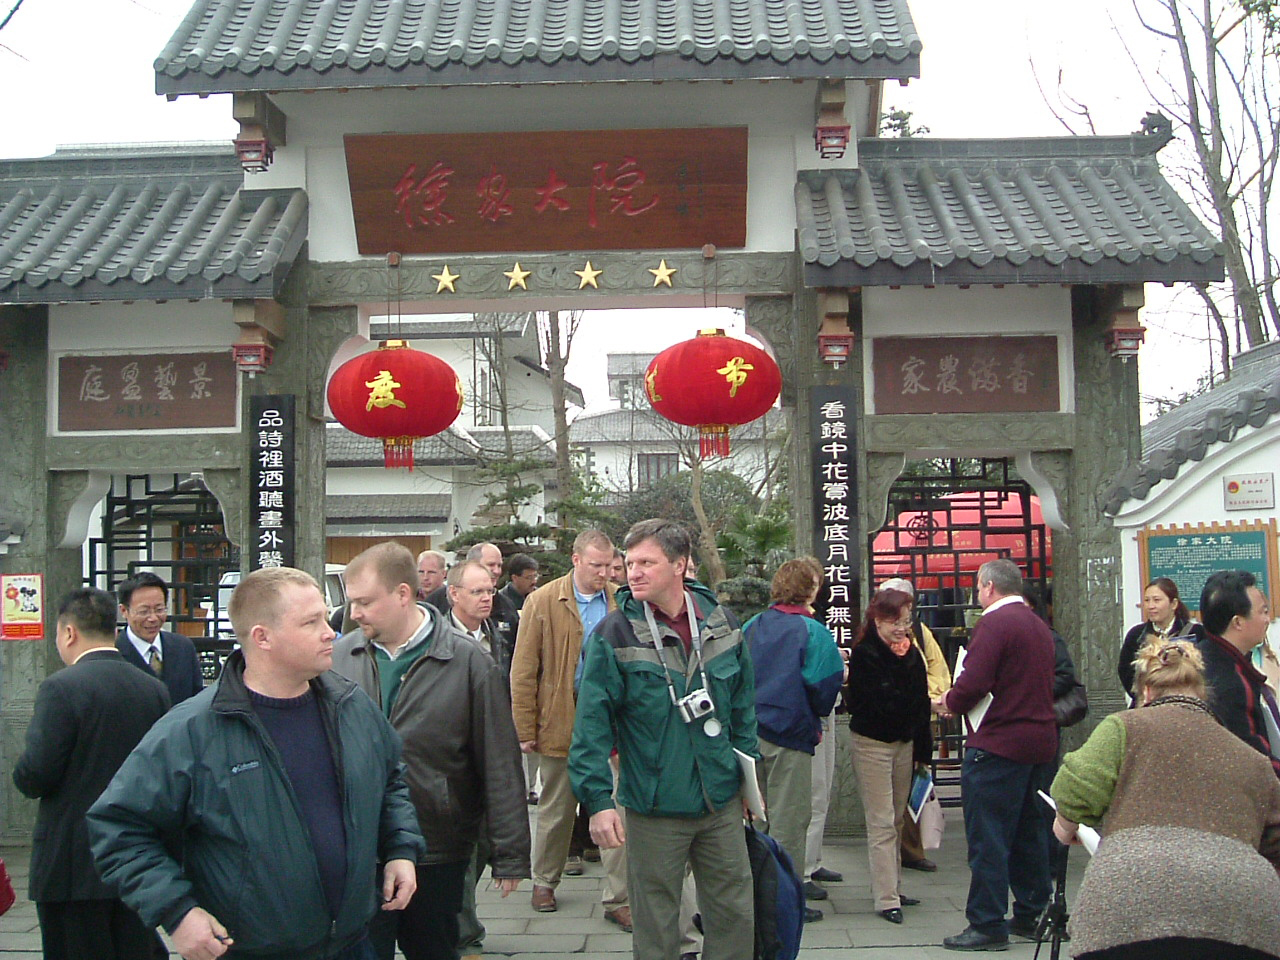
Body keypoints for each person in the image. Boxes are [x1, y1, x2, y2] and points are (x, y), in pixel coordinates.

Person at [87, 566, 424, 960]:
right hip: (250, 949)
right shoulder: (194, 729)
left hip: (353, 942)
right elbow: (118, 826)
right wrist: (177, 911)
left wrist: (400, 848)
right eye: (310, 622)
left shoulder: (350, 705)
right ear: (262, 637)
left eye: (325, 617)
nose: (329, 632)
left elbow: (391, 779)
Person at [570, 519, 757, 960]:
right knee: (656, 924)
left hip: (720, 799)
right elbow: (591, 725)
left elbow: (743, 709)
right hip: (654, 805)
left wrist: (750, 785)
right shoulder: (615, 634)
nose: (631, 573)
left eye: (646, 563)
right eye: (630, 563)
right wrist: (597, 801)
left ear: (679, 565)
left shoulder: (721, 623)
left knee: (735, 914)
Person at [332, 545, 529, 960]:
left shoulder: (467, 661)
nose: (355, 613)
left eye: (365, 602)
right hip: (361, 845)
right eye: (352, 602)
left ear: (403, 594)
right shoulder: (340, 658)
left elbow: (499, 759)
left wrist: (509, 853)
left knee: (434, 948)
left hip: (436, 844)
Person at [1051, 639, 1280, 959]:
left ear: (1145, 693)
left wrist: (1065, 826)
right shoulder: (1254, 761)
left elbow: (1075, 789)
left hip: (1125, 912)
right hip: (1238, 918)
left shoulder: (1125, 726)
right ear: (1203, 694)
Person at [13, 587, 171, 960]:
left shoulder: (61, 687)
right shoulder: (153, 689)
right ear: (114, 630)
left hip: (72, 862)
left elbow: (37, 773)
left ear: (69, 632)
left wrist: (21, 773)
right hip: (134, 860)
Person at [938, 559, 1057, 952]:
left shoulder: (993, 623)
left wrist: (950, 701)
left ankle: (987, 921)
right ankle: (1032, 912)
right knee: (1029, 834)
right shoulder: (1038, 625)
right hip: (1037, 742)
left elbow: (975, 679)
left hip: (997, 742)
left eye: (978, 586)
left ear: (989, 586)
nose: (977, 593)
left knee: (988, 836)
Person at [509, 530, 628, 924]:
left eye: (608, 565)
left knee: (616, 806)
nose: (603, 573)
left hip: (611, 719)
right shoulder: (543, 601)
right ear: (576, 560)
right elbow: (524, 669)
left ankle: (620, 896)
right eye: (595, 565)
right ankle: (544, 880)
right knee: (556, 807)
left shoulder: (620, 600)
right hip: (560, 715)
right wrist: (525, 727)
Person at [742, 558, 844, 922]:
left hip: (751, 734)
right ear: (810, 590)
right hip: (791, 735)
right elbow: (824, 686)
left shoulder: (752, 625)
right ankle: (784, 904)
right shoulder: (812, 631)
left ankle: (754, 897)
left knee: (757, 820)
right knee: (790, 823)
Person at [845, 587, 932, 925]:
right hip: (873, 744)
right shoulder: (865, 654)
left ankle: (893, 885)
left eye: (906, 622)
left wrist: (922, 749)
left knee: (897, 819)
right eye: (895, 622)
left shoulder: (912, 653)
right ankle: (886, 898)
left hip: (904, 744)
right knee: (881, 822)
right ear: (878, 620)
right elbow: (869, 704)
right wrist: (904, 704)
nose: (901, 629)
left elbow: (922, 703)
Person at [878, 577, 952, 874]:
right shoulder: (875, 638)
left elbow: (939, 669)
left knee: (916, 783)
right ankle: (891, 850)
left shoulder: (920, 632)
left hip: (922, 720)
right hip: (889, 726)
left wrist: (931, 697)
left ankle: (911, 848)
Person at [1196, 569, 1279, 776]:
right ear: (1238, 622)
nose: (1267, 619)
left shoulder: (1200, 657)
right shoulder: (1231, 683)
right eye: (1263, 612)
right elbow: (1255, 762)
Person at [115, 571, 204, 705]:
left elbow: (197, 700)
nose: (153, 618)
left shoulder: (183, 647)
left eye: (159, 610)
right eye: (144, 611)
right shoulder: (114, 652)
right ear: (124, 611)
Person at [428, 542, 520, 671]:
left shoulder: (498, 635)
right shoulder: (435, 637)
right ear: (454, 594)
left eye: (490, 591)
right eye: (477, 592)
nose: (486, 598)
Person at [1117, 577, 1202, 699]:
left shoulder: (1196, 632)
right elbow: (1126, 672)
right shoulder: (1136, 635)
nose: (1150, 606)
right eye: (1147, 600)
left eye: (1156, 600)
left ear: (1173, 604)